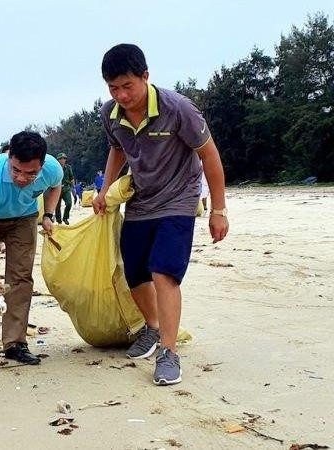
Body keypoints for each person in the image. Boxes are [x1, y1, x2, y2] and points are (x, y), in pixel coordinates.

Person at [93, 44, 229, 386]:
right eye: (113, 88)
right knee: (135, 271)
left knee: (163, 270)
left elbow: (210, 157)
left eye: (128, 86)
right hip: (141, 200)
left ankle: (169, 352)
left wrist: (219, 210)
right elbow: (116, 149)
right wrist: (104, 190)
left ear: (145, 77)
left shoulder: (178, 108)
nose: (121, 95)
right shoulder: (110, 113)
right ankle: (153, 328)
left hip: (180, 199)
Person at [0, 131, 62, 364]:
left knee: (20, 277)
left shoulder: (52, 169)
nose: (21, 178)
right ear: (9, 156)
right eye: (16, 170)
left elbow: (55, 187)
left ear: (42, 165)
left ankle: (15, 342)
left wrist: (48, 213)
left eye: (31, 173)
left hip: (24, 217)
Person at [54, 153, 76, 224]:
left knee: (69, 203)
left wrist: (73, 188)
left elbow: (72, 178)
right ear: (58, 160)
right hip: (57, 188)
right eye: (61, 159)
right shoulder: (55, 168)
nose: (62, 160)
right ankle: (58, 220)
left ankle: (65, 218)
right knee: (57, 206)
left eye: (64, 158)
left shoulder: (68, 167)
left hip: (66, 188)